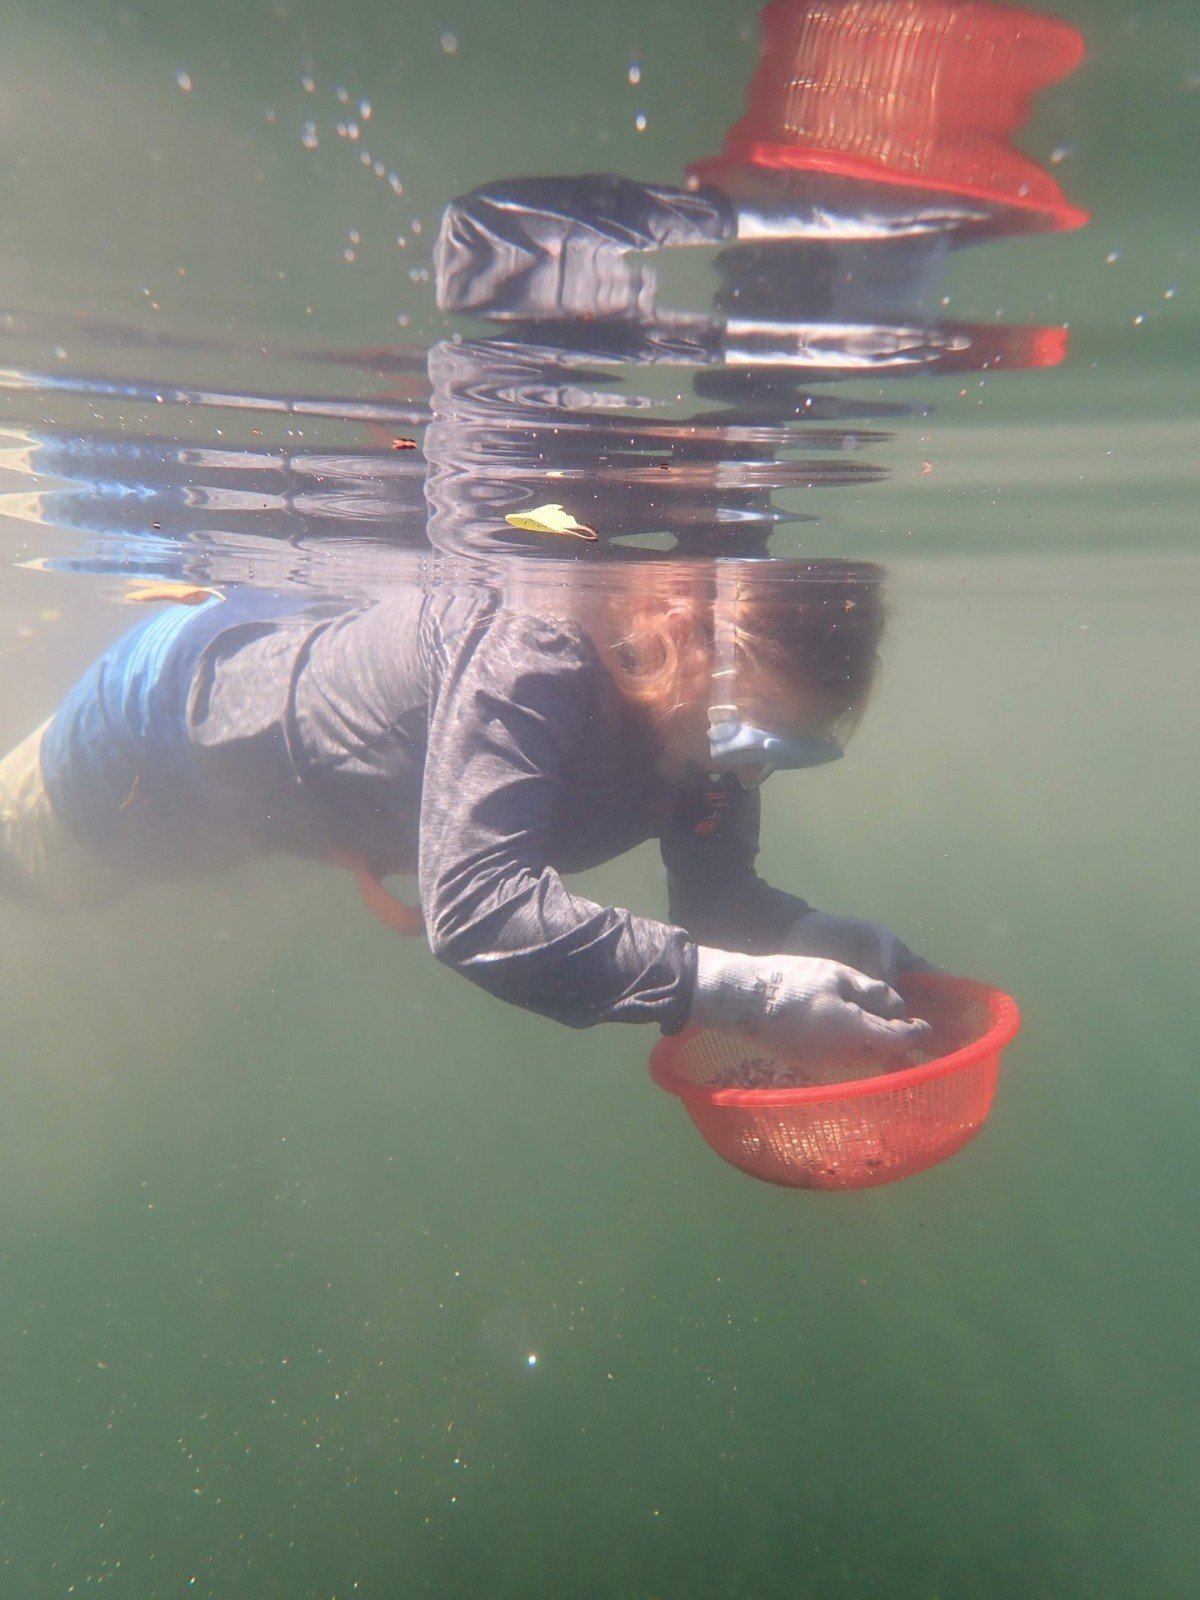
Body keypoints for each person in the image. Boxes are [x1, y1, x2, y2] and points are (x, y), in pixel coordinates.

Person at [0, 558, 932, 1080]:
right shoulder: (540, 655)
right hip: (155, 730)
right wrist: (755, 997)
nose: (755, 766)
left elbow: (717, 897)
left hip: (268, 796)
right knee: (35, 876)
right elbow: (478, 909)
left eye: (792, 750)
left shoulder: (712, 734)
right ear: (684, 641)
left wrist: (802, 934)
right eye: (751, 730)